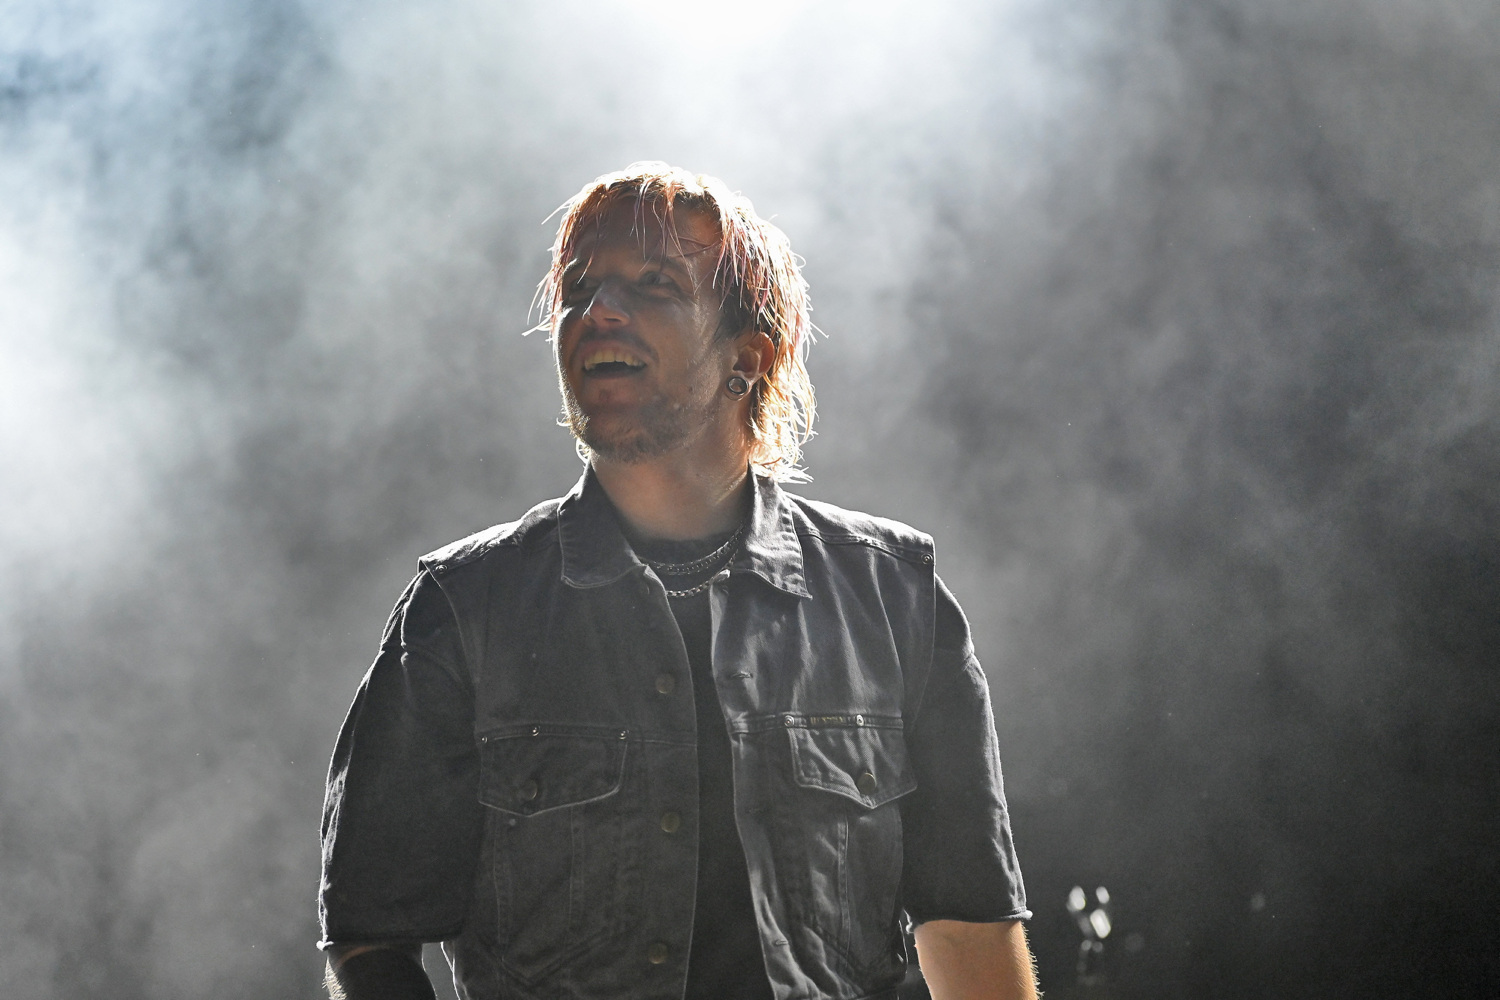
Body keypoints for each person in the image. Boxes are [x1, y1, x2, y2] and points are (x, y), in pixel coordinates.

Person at [318, 163, 1037, 1000]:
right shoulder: (462, 607)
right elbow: (371, 938)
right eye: (578, 290)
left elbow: (972, 933)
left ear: (748, 357)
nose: (598, 311)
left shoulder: (895, 598)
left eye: (654, 285)